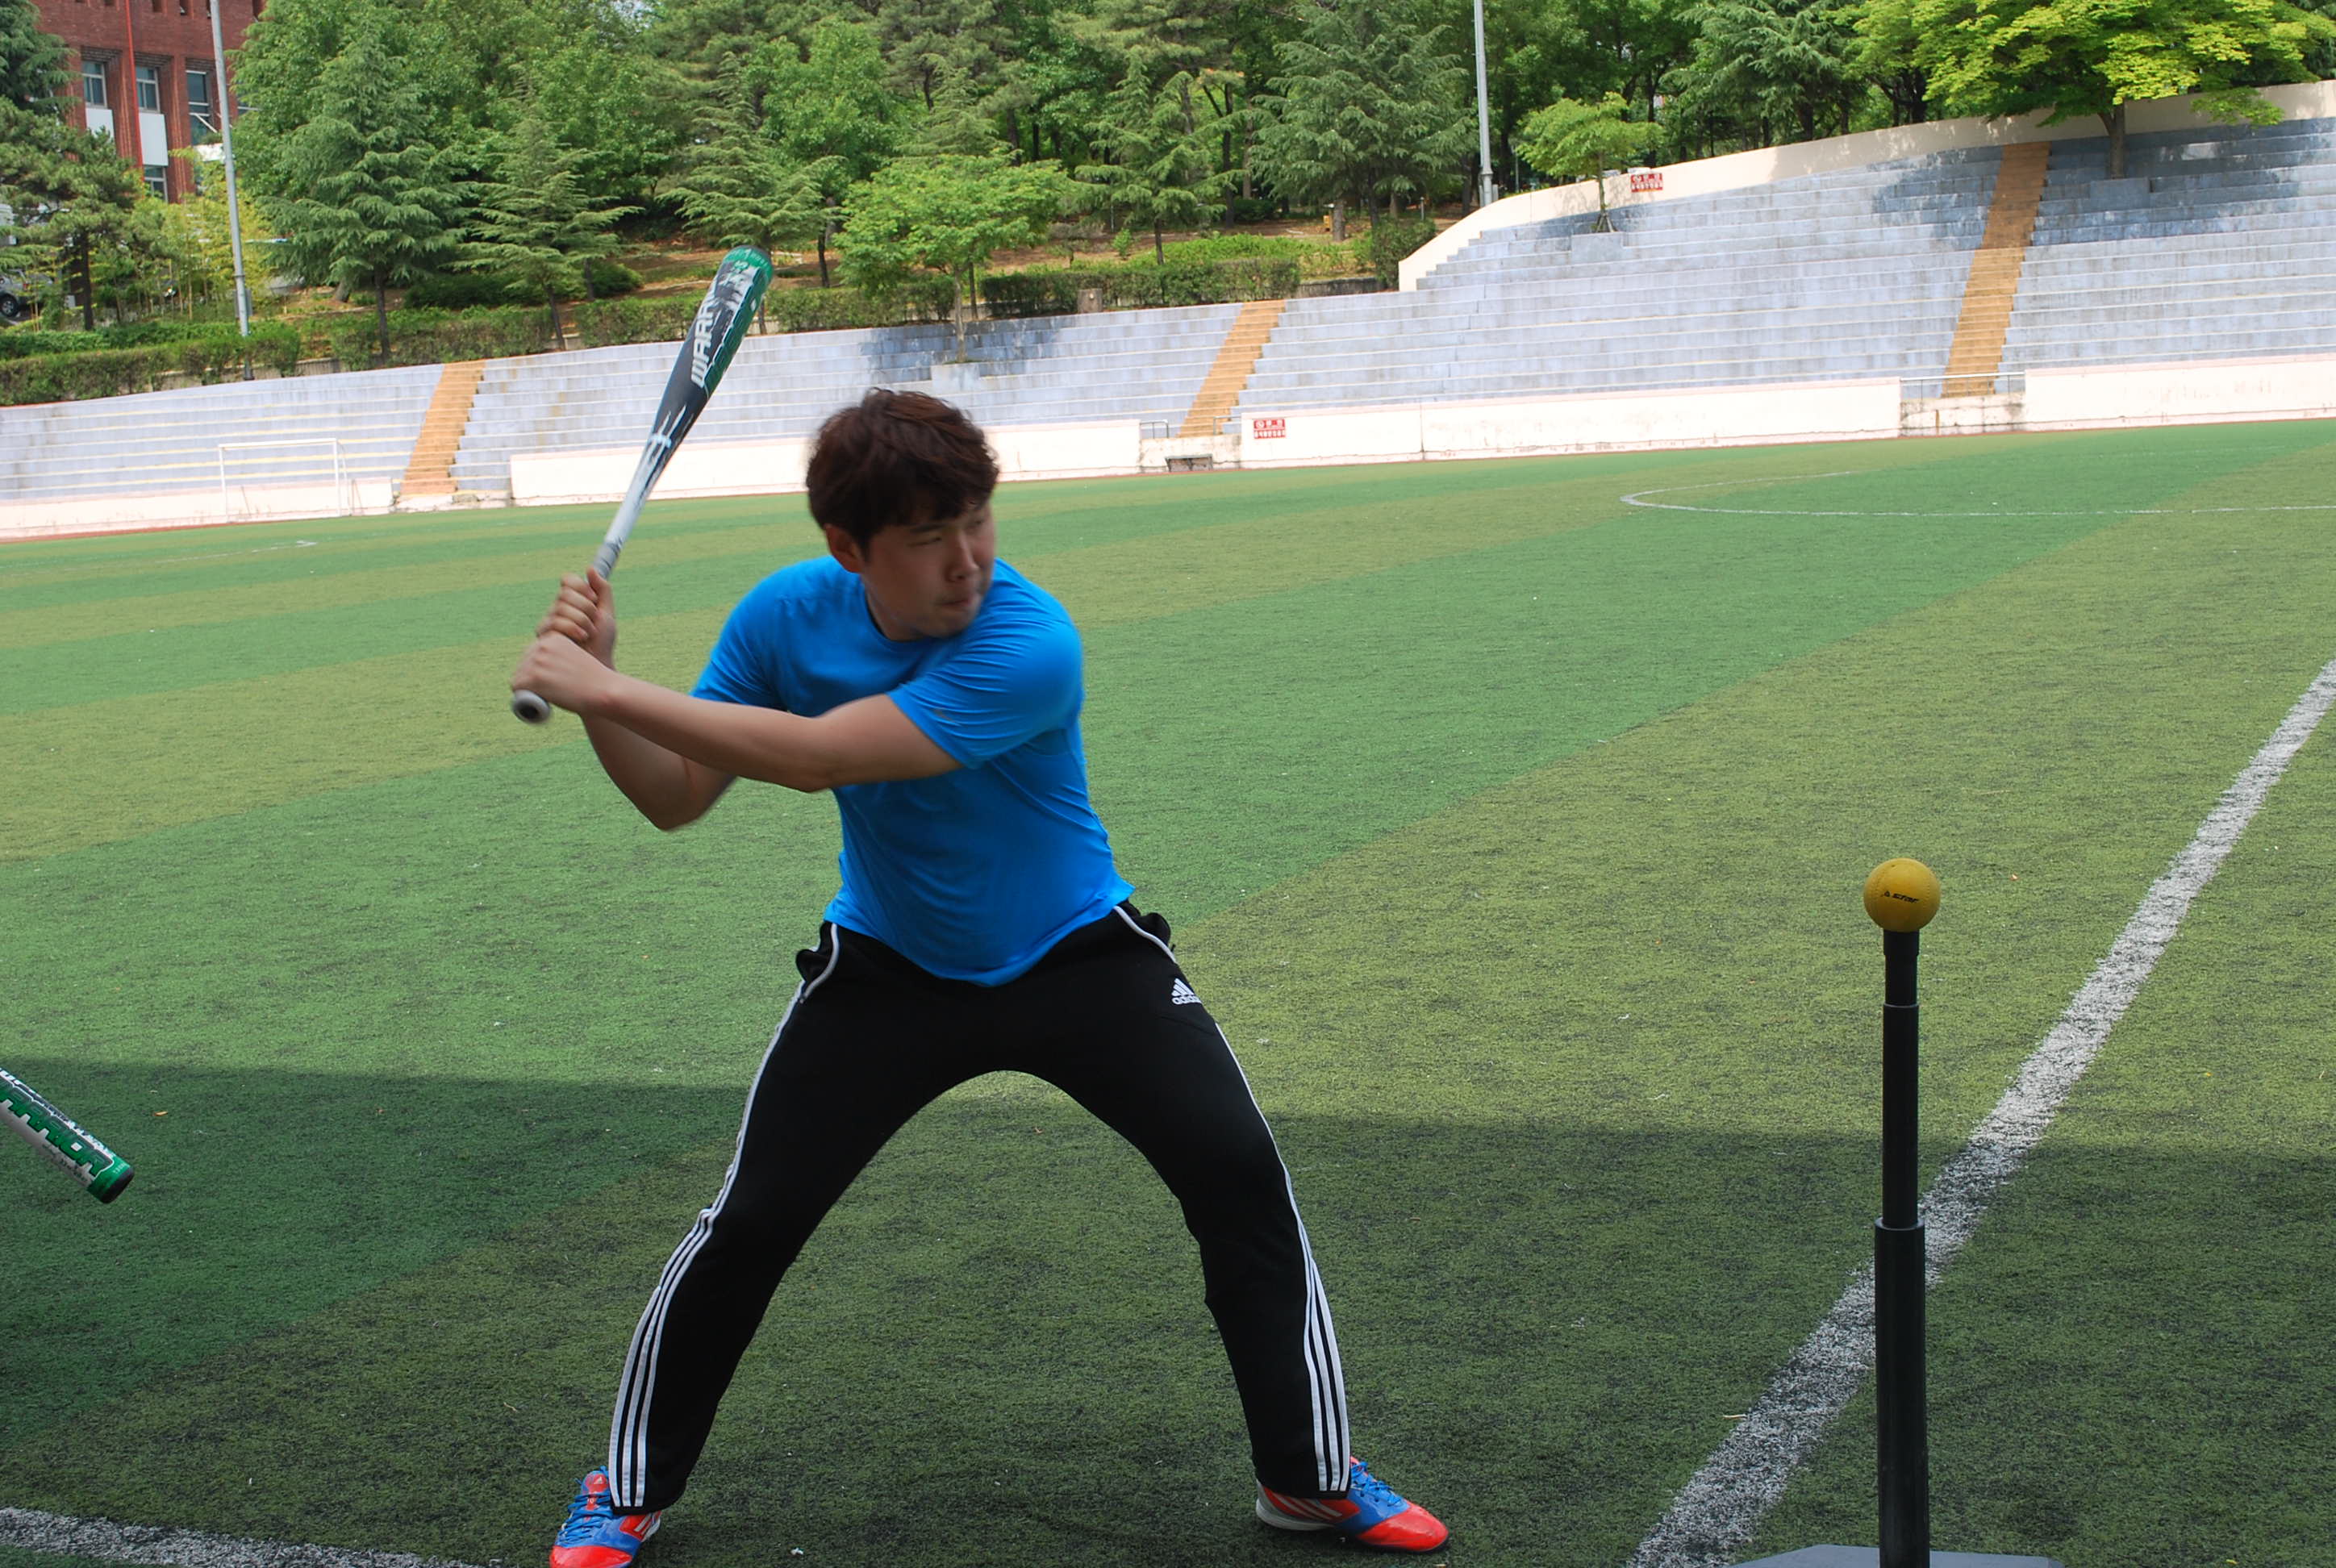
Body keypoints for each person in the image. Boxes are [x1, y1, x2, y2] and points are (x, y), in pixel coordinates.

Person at [511, 390, 1449, 1566]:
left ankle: (1308, 1481)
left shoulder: (1029, 639)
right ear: (849, 549)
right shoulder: (783, 619)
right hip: (888, 971)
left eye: (978, 521)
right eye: (928, 538)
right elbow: (674, 794)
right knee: (750, 1221)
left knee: (1240, 1177)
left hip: (1079, 956)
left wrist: (600, 688)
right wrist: (605, 685)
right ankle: (630, 1486)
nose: (968, 560)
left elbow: (818, 759)